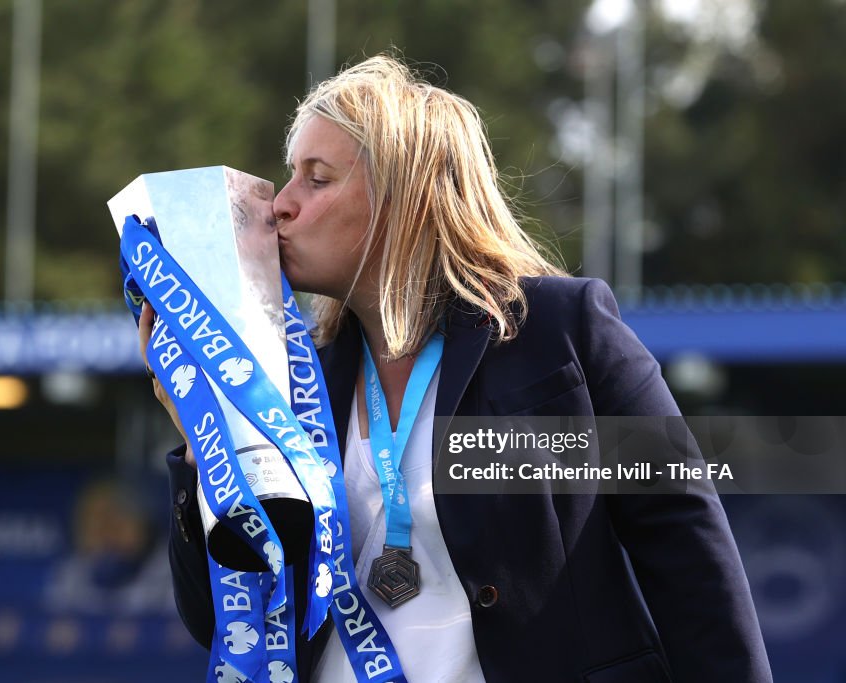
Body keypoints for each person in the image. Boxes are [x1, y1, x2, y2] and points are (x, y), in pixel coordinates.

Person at [138, 54, 772, 682]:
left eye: (317, 178)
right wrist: (207, 446)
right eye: (290, 175)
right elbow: (229, 621)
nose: (281, 204)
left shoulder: (560, 331)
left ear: (403, 196)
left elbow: (687, 547)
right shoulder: (284, 383)